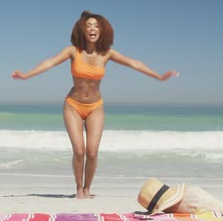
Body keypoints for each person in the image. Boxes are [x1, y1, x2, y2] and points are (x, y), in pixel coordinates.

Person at [11, 10, 179, 199]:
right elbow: (48, 63)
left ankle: (88, 188)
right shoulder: (72, 51)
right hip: (73, 105)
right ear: (82, 30)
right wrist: (26, 75)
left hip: (95, 107)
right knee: (79, 151)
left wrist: (158, 76)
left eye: (96, 26)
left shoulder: (107, 54)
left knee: (91, 152)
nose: (92, 28)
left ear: (102, 30)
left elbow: (134, 63)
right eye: (88, 25)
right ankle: (78, 190)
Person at [137, 177, 223, 216]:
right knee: (220, 207)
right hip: (193, 192)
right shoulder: (191, 191)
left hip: (194, 198)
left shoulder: (174, 206)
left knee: (219, 207)